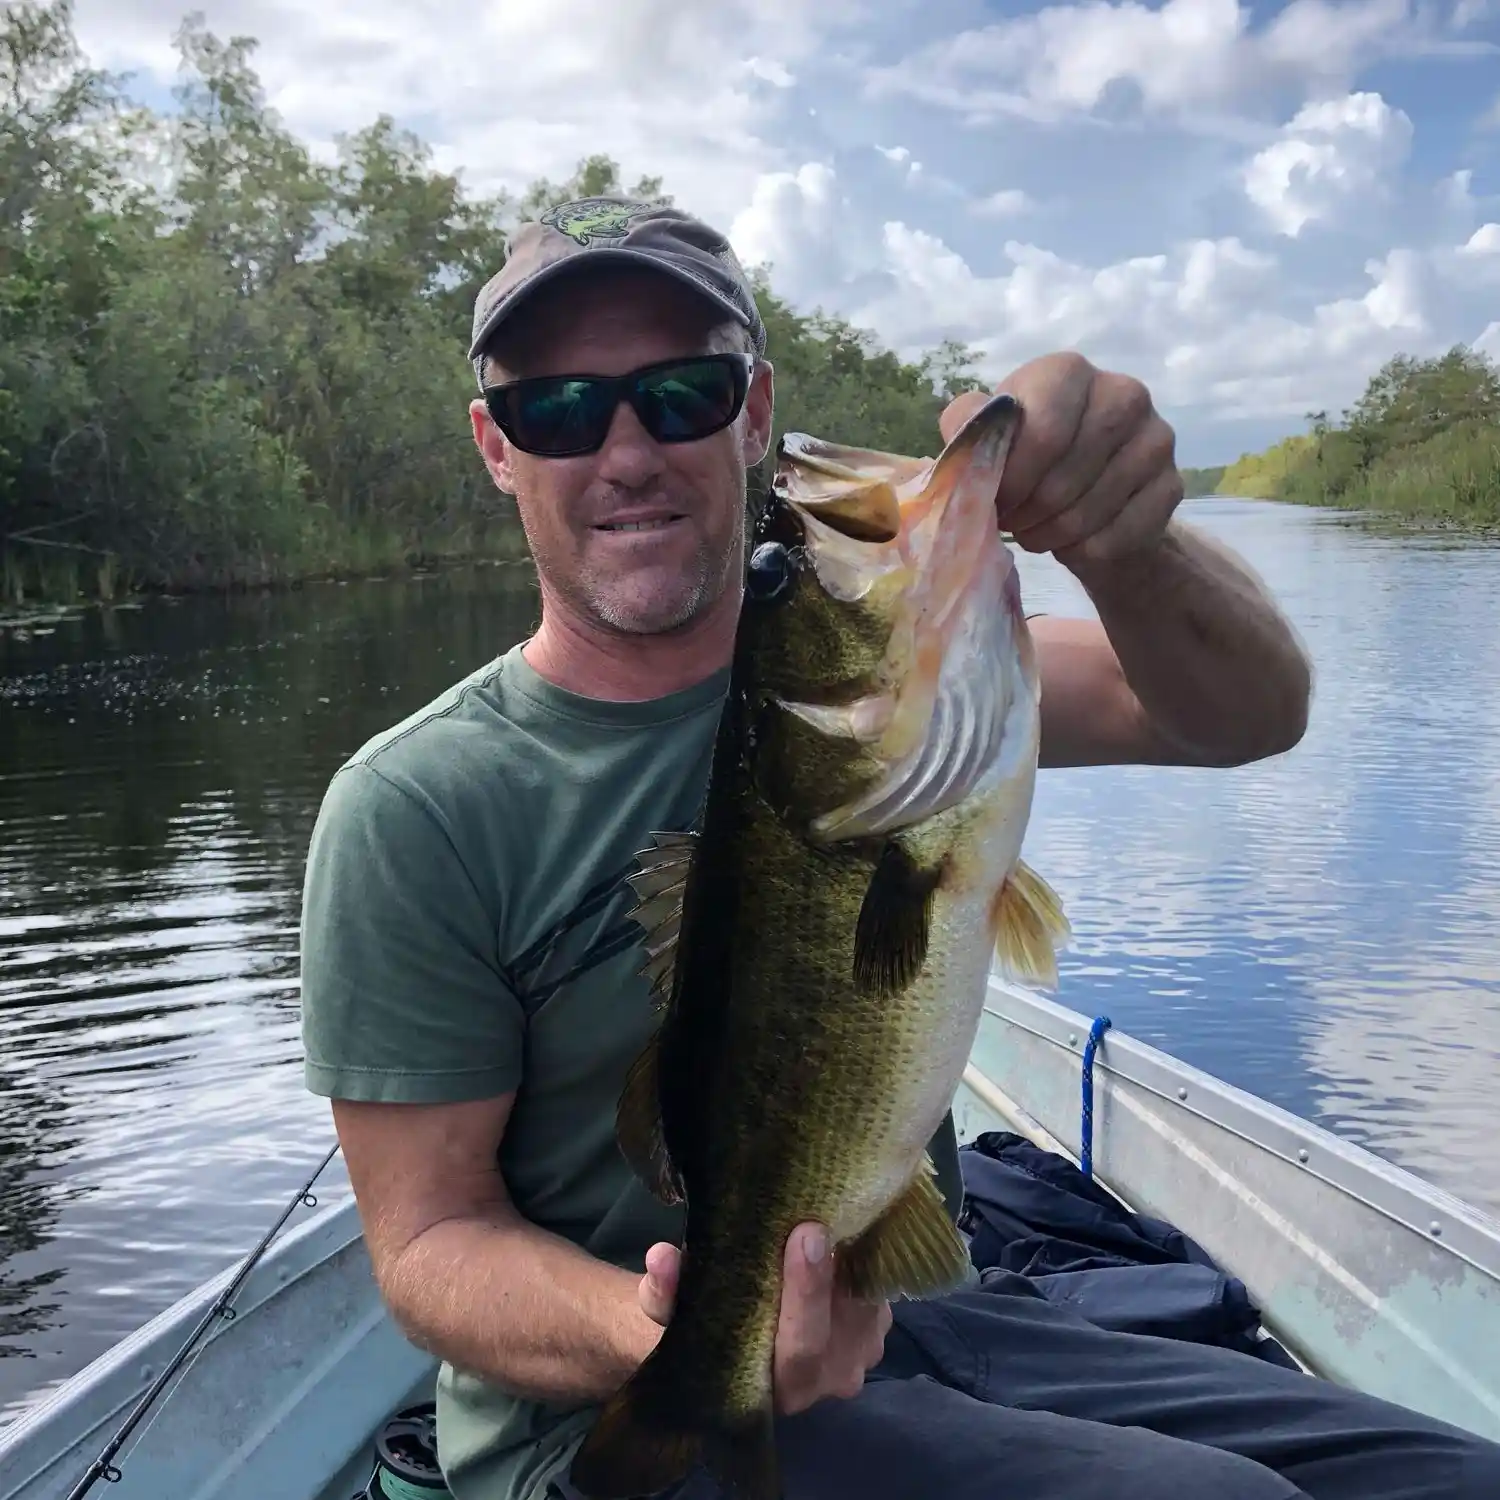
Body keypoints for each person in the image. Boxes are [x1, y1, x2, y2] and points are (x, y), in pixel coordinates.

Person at [298, 197, 1498, 1500]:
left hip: (920, 1315)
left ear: (754, 414)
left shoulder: (908, 710)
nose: (626, 449)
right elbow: (427, 1244)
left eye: (683, 392)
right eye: (561, 410)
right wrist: (674, 1332)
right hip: (603, 1422)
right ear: (496, 445)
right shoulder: (410, 807)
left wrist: (1128, 545)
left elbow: (1244, 718)